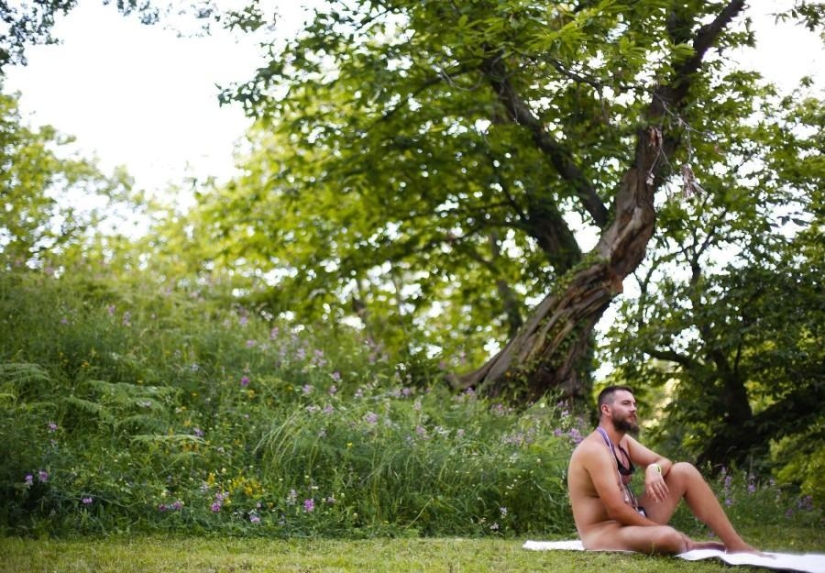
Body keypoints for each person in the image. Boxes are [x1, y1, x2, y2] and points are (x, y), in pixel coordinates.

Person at [567, 385, 757, 554]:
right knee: (669, 537)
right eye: (626, 403)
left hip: (634, 517)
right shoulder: (595, 450)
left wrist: (654, 469)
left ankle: (735, 544)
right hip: (603, 531)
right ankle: (688, 545)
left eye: (634, 404)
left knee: (684, 470)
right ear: (606, 409)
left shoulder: (624, 442)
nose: (633, 409)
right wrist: (656, 529)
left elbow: (663, 461)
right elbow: (616, 510)